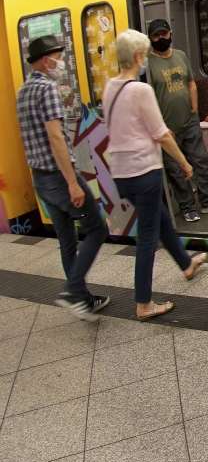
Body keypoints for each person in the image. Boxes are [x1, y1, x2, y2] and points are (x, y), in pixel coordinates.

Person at [103, 30, 208, 320]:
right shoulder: (141, 90)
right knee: (148, 237)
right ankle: (144, 304)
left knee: (161, 218)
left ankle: (186, 265)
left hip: (123, 174)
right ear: (138, 57)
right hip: (143, 170)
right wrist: (184, 161)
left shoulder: (110, 86)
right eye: (145, 54)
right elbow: (161, 133)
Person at [17, 35, 110, 321]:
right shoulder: (47, 89)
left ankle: (82, 301)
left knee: (67, 239)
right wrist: (72, 182)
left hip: (41, 178)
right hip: (59, 177)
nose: (61, 62)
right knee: (97, 228)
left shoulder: (23, 91)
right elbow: (56, 137)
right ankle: (72, 291)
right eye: (58, 56)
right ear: (46, 60)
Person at [145, 18, 208, 223]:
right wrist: (160, 126)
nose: (161, 38)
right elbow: (148, 97)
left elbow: (191, 83)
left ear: (170, 33)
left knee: (201, 161)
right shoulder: (147, 64)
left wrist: (194, 110)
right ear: (150, 39)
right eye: (156, 36)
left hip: (189, 120)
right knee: (176, 169)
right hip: (166, 127)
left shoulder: (181, 56)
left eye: (164, 34)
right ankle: (188, 207)